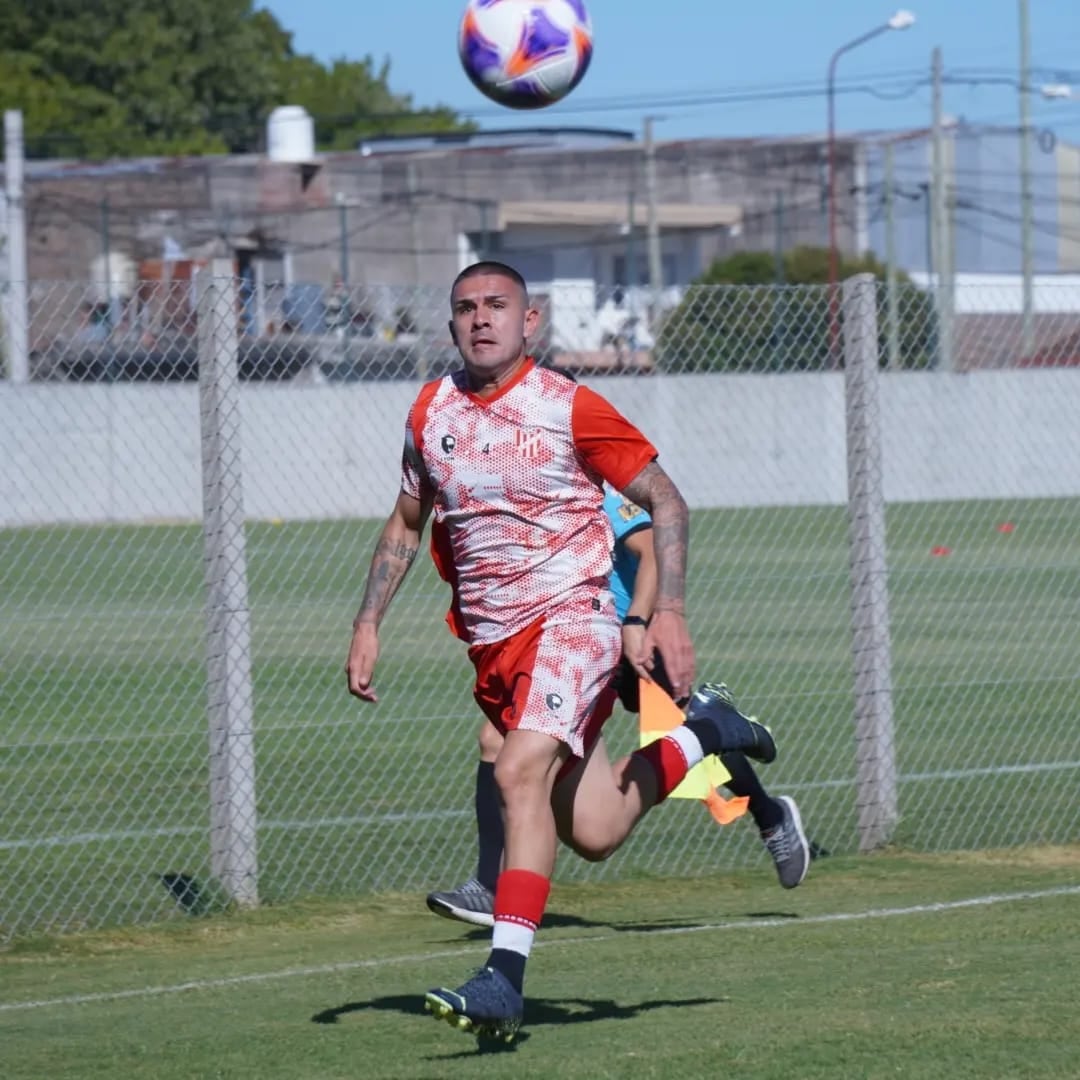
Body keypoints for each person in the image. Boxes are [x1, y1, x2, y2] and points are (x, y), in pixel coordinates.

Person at [345, 260, 778, 1044]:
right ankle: (708, 731)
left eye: (498, 306)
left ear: (530, 321)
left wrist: (668, 611)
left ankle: (503, 980)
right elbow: (408, 522)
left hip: (575, 622)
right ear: (451, 326)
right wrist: (368, 620)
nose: (482, 319)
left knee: (515, 771)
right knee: (598, 830)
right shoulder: (429, 411)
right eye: (467, 308)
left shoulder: (567, 406)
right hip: (496, 648)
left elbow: (666, 501)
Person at [424, 484, 810, 929]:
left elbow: (650, 551)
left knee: (693, 733)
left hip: (633, 636)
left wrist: (638, 620)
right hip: (580, 642)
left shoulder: (602, 498)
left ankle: (769, 813)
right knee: (496, 737)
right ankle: (489, 885)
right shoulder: (535, 498)